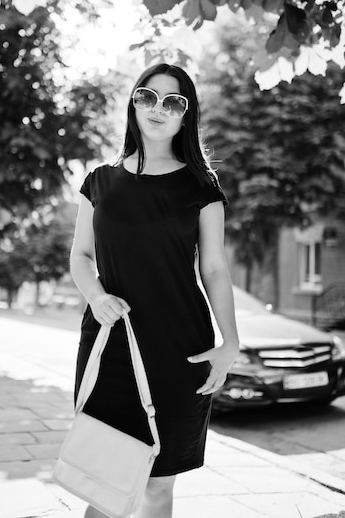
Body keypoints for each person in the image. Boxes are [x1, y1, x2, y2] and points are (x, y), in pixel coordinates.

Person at [70, 63, 239, 518]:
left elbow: (216, 270)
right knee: (103, 487)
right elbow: (81, 257)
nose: (158, 109)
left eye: (173, 101)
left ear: (187, 115)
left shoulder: (201, 185)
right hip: (111, 348)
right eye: (147, 96)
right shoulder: (99, 182)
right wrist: (98, 297)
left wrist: (231, 343)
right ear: (133, 103)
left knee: (157, 491)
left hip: (178, 352)